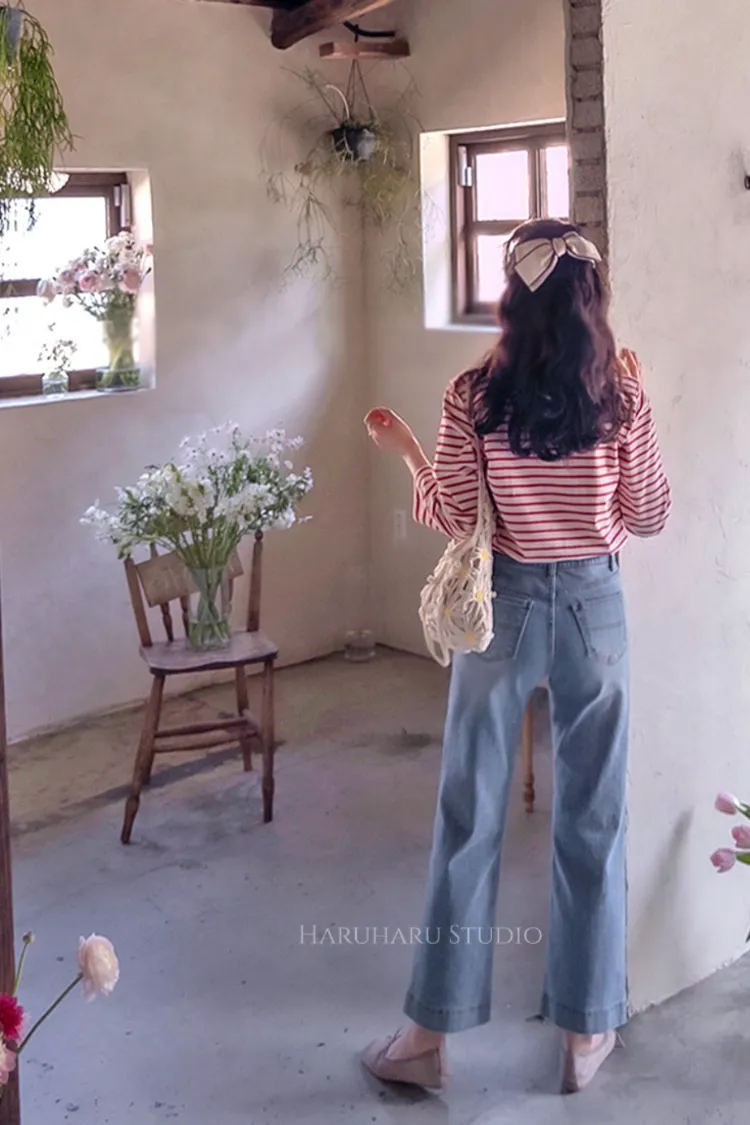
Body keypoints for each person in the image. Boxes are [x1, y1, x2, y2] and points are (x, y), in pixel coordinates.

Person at [361, 218, 671, 1095]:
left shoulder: (475, 394)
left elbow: (458, 515)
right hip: (595, 606)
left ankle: (427, 1035)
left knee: (470, 814)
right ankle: (584, 1031)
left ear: (511, 297)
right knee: (593, 818)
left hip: (506, 602)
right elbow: (649, 514)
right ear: (591, 297)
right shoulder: (621, 393)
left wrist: (407, 456)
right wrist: (637, 416)